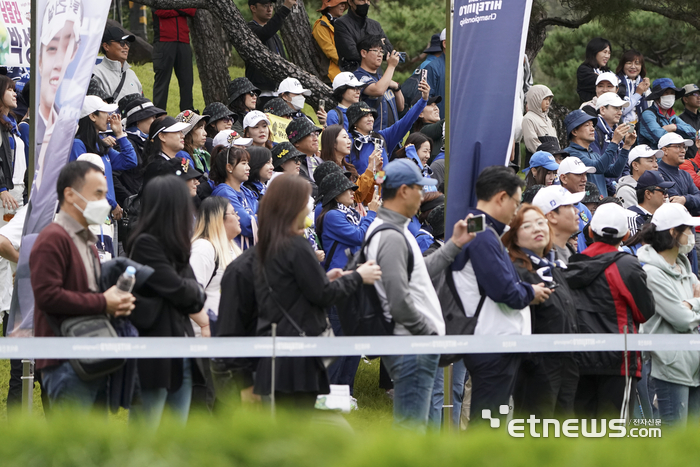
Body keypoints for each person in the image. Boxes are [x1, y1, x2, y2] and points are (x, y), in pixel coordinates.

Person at [252, 174, 381, 409]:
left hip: (341, 283)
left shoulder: (278, 246)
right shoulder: (330, 217)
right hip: (333, 295)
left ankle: (345, 392)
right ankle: (330, 394)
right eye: (305, 201)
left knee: (352, 341)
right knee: (339, 341)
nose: (352, 193)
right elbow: (359, 236)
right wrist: (371, 214)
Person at [363, 159, 474, 430]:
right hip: (412, 347)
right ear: (403, 191)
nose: (423, 195)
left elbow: (418, 272)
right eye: (419, 188)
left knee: (414, 428)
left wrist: (455, 245)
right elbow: (399, 300)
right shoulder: (390, 235)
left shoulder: (395, 230)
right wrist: (427, 333)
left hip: (413, 345)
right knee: (412, 430)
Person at [446, 166, 547, 426]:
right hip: (491, 342)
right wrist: (530, 291)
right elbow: (503, 289)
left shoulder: (479, 228)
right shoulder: (480, 232)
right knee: (488, 424)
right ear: (501, 197)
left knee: (493, 421)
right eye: (515, 202)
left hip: (493, 340)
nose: (517, 210)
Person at [30, 161, 135, 409]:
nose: (105, 201)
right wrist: (103, 302)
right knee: (72, 446)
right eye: (98, 194)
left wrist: (115, 302)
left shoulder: (87, 241)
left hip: (92, 355)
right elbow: (47, 296)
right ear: (70, 194)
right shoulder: (53, 238)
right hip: (65, 361)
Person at [565, 203, 655, 419]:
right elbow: (645, 312)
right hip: (619, 361)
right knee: (615, 438)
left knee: (581, 434)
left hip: (578, 358)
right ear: (625, 235)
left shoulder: (572, 263)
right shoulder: (627, 266)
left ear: (590, 232)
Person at [127, 175, 205, 425]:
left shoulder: (176, 246)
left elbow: (195, 297)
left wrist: (186, 290)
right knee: (145, 437)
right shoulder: (145, 244)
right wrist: (186, 290)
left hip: (181, 353)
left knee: (174, 440)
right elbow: (181, 291)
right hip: (154, 357)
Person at [502, 204, 579, 418]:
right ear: (514, 236)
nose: (537, 229)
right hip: (537, 365)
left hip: (567, 359)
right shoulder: (515, 270)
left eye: (540, 223)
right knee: (536, 430)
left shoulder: (553, 267)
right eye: (527, 226)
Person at [637, 203, 700, 426]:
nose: (692, 236)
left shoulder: (685, 268)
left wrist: (690, 305)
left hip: (694, 367)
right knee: (673, 442)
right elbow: (681, 319)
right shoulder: (652, 273)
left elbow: (686, 312)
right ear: (673, 233)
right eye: (688, 230)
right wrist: (696, 303)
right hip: (671, 370)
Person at [189, 197, 242, 407]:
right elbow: (190, 292)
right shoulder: (203, 248)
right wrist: (205, 324)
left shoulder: (231, 248)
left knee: (226, 405)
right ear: (218, 219)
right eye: (233, 213)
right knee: (206, 404)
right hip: (205, 342)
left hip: (225, 341)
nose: (239, 217)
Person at [70, 95, 138, 228]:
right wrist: (112, 203)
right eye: (104, 112)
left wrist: (119, 134)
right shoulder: (78, 144)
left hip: (105, 215)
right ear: (92, 116)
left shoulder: (99, 145)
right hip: (88, 216)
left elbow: (130, 161)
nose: (109, 117)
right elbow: (85, 182)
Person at [346, 79, 429, 176]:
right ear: (355, 122)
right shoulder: (348, 141)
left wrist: (423, 100)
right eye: (365, 116)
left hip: (384, 189)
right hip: (360, 190)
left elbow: (406, 121)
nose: (370, 119)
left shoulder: (382, 137)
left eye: (371, 115)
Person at [563, 109, 635, 197]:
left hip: (601, 205)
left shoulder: (594, 154)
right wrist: (615, 141)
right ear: (574, 131)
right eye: (587, 125)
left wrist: (626, 147)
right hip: (587, 207)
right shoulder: (570, 153)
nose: (592, 128)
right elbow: (598, 167)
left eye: (592, 125)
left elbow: (614, 172)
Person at [246, 0, 298, 105]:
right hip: (261, 93)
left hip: (277, 91)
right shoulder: (250, 30)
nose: (269, 9)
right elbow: (265, 32)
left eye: (271, 5)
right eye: (265, 5)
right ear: (253, 8)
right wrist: (286, 8)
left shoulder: (273, 35)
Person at [116, 95, 166, 205]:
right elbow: (114, 177)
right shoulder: (126, 144)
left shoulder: (146, 142)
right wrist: (131, 199)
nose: (155, 120)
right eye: (152, 117)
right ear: (138, 120)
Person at [354, 35, 404, 132]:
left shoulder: (383, 79)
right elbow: (378, 90)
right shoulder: (358, 76)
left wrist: (397, 87)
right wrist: (392, 66)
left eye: (381, 51)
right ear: (364, 53)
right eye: (376, 51)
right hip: (374, 137)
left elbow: (401, 107)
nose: (380, 55)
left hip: (393, 138)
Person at [210, 147, 257, 250]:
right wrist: (258, 218)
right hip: (235, 253)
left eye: (248, 163)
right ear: (229, 167)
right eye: (243, 163)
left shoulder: (246, 191)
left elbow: (265, 212)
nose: (248, 167)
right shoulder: (224, 192)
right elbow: (246, 225)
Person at [319, 124, 378, 204]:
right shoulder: (328, 171)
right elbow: (356, 196)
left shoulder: (349, 168)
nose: (349, 141)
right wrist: (370, 168)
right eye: (344, 137)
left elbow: (367, 199)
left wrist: (376, 173)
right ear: (333, 143)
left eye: (348, 137)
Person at [152, 8, 196, 111]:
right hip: (163, 41)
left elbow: (192, 10)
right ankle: (159, 116)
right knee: (162, 82)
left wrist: (173, 8)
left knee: (187, 81)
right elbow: (160, 11)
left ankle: (188, 115)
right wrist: (181, 9)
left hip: (183, 41)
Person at [334, 0, 392, 72]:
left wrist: (361, 45)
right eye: (361, 0)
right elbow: (352, 53)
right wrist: (379, 43)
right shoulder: (341, 24)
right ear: (350, 2)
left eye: (368, 0)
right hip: (353, 75)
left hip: (377, 76)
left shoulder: (375, 25)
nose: (366, 3)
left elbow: (389, 51)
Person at [639, 78, 696, 149]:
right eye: (666, 93)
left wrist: (673, 127)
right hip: (652, 158)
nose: (670, 96)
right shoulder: (648, 114)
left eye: (672, 93)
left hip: (670, 157)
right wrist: (679, 134)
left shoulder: (672, 117)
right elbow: (658, 136)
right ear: (657, 96)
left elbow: (692, 132)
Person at [532, 185, 583, 264]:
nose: (577, 211)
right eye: (569, 206)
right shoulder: (544, 258)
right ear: (552, 216)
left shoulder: (568, 249)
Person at [91, 26, 142, 102]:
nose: (126, 47)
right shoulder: (96, 74)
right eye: (121, 43)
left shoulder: (132, 74)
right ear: (106, 46)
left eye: (127, 43)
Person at [557, 156, 596, 254]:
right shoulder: (556, 209)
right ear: (564, 178)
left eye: (585, 174)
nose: (584, 179)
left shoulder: (584, 209)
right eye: (579, 174)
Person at [0, 76, 26, 217]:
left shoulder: (12, 123)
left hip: (18, 189)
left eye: (14, 90)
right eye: (9, 89)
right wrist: (2, 189)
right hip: (5, 192)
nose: (15, 93)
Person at [657, 132, 700, 215]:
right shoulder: (658, 173)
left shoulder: (685, 174)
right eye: (678, 146)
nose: (683, 150)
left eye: (684, 147)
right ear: (665, 150)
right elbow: (674, 200)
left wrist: (685, 199)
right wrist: (690, 200)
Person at [627, 170, 674, 236]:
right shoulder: (633, 217)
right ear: (648, 194)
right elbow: (636, 245)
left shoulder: (664, 216)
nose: (666, 195)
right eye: (663, 191)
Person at [285, 117, 323, 196]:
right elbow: (310, 190)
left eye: (316, 134)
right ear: (296, 142)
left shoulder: (320, 161)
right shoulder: (293, 165)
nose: (316, 139)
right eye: (311, 134)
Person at [312, 0, 347, 83]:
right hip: (331, 78)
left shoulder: (342, 24)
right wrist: (349, 62)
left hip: (345, 75)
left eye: (344, 4)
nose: (343, 6)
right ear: (330, 6)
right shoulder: (321, 25)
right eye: (340, 3)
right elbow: (330, 51)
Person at [615, 49, 650, 125]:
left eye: (637, 63)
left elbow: (650, 109)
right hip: (622, 125)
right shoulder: (616, 82)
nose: (633, 67)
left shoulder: (642, 83)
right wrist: (638, 94)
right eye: (629, 63)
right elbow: (622, 110)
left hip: (641, 126)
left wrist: (647, 91)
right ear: (623, 65)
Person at [522, 85, 557, 156]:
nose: (548, 103)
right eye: (545, 99)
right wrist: (549, 157)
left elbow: (556, 142)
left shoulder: (548, 119)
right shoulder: (528, 118)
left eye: (549, 99)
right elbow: (532, 143)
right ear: (535, 99)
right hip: (539, 162)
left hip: (553, 160)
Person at [591, 92, 630, 156]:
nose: (620, 113)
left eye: (620, 109)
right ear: (602, 110)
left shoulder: (616, 131)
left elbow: (622, 164)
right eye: (616, 108)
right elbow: (598, 164)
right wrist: (615, 141)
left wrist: (627, 145)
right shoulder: (592, 132)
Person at [576, 37, 612, 103]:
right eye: (605, 52)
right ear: (594, 52)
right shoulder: (584, 70)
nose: (607, 56)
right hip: (590, 110)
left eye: (609, 53)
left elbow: (621, 88)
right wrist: (611, 80)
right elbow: (601, 82)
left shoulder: (608, 72)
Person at [175, 110, 211, 174]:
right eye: (200, 128)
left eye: (204, 128)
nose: (205, 133)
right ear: (188, 132)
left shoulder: (201, 155)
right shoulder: (182, 155)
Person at [423, 29, 446, 118]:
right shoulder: (431, 67)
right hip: (440, 126)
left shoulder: (463, 67)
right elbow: (425, 100)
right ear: (445, 44)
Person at [679, 84, 700, 157]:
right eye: (695, 94)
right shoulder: (679, 120)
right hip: (688, 163)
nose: (698, 97)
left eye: (699, 94)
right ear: (685, 99)